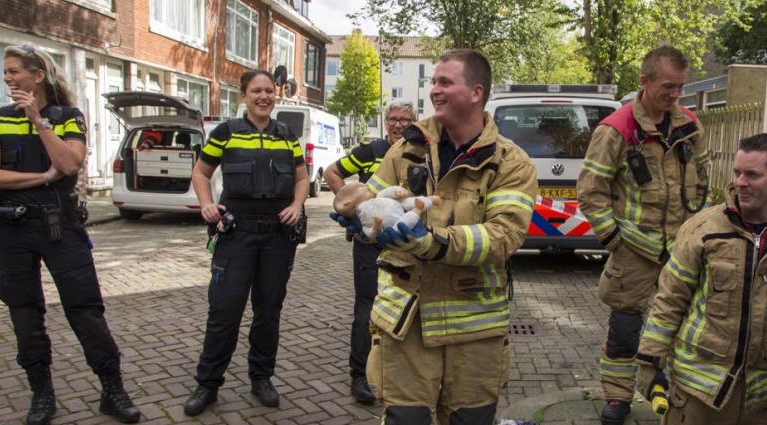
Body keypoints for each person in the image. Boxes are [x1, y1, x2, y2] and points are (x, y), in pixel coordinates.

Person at [339, 48, 538, 424]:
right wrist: (360, 221)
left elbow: (503, 236)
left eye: (445, 82)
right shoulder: (405, 149)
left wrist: (433, 242)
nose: (434, 91)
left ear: (476, 92)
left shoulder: (510, 162)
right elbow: (376, 206)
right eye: (433, 82)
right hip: (406, 324)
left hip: (474, 332)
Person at [636, 133, 767, 425]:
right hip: (700, 394)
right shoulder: (702, 228)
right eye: (737, 172)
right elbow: (669, 301)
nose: (740, 182)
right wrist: (650, 362)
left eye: (752, 174)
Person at [0, 44, 141, 424]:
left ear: (37, 75)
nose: (7, 77)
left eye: (14, 71)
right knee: (25, 317)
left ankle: (113, 390)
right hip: (11, 231)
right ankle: (42, 396)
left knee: (86, 312)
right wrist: (42, 177)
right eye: (6, 71)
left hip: (60, 227)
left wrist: (37, 120)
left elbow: (69, 162)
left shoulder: (67, 117)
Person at [576, 45, 709, 425]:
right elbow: (590, 191)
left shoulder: (689, 126)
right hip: (634, 250)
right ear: (645, 81)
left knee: (683, 324)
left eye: (680, 87)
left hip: (682, 249)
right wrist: (614, 241)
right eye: (668, 86)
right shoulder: (616, 130)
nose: (675, 95)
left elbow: (702, 179)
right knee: (625, 327)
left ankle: (670, 388)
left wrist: (696, 229)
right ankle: (618, 398)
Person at [184, 69, 309, 416]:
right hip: (236, 235)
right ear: (244, 96)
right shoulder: (225, 132)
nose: (263, 96)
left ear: (276, 95)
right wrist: (207, 204)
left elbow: (302, 178)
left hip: (276, 238)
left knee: (268, 312)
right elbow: (201, 172)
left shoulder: (286, 135)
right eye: (256, 91)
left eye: (269, 90)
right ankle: (207, 385)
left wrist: (297, 205)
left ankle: (261, 378)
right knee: (224, 312)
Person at [323, 100, 416, 404]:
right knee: (366, 308)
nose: (398, 124)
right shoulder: (369, 151)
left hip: (405, 245)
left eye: (404, 119)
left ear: (413, 121)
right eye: (393, 119)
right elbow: (331, 171)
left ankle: (396, 372)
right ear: (385, 121)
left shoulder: (420, 153)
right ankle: (359, 375)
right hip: (368, 244)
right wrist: (350, 207)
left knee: (405, 306)